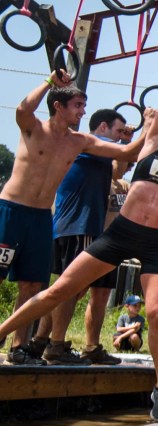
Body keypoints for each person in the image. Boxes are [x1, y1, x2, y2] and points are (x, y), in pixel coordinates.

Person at [0, 42, 158, 420]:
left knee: (156, 314)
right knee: (59, 289)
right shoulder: (152, 142)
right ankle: (3, 331)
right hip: (121, 232)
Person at [0, 70, 144, 364]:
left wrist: (155, 124)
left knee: (33, 285)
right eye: (78, 105)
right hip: (12, 211)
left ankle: (18, 349)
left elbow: (128, 151)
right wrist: (50, 82)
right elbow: (22, 109)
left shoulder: (79, 141)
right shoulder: (33, 127)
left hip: (42, 218)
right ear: (59, 107)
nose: (83, 111)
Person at [30, 107, 136, 366]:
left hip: (95, 233)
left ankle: (55, 343)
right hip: (80, 226)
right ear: (102, 128)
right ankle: (53, 345)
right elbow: (121, 158)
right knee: (67, 289)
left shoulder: (103, 156)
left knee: (77, 291)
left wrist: (127, 141)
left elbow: (119, 169)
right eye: (118, 131)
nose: (122, 136)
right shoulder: (86, 143)